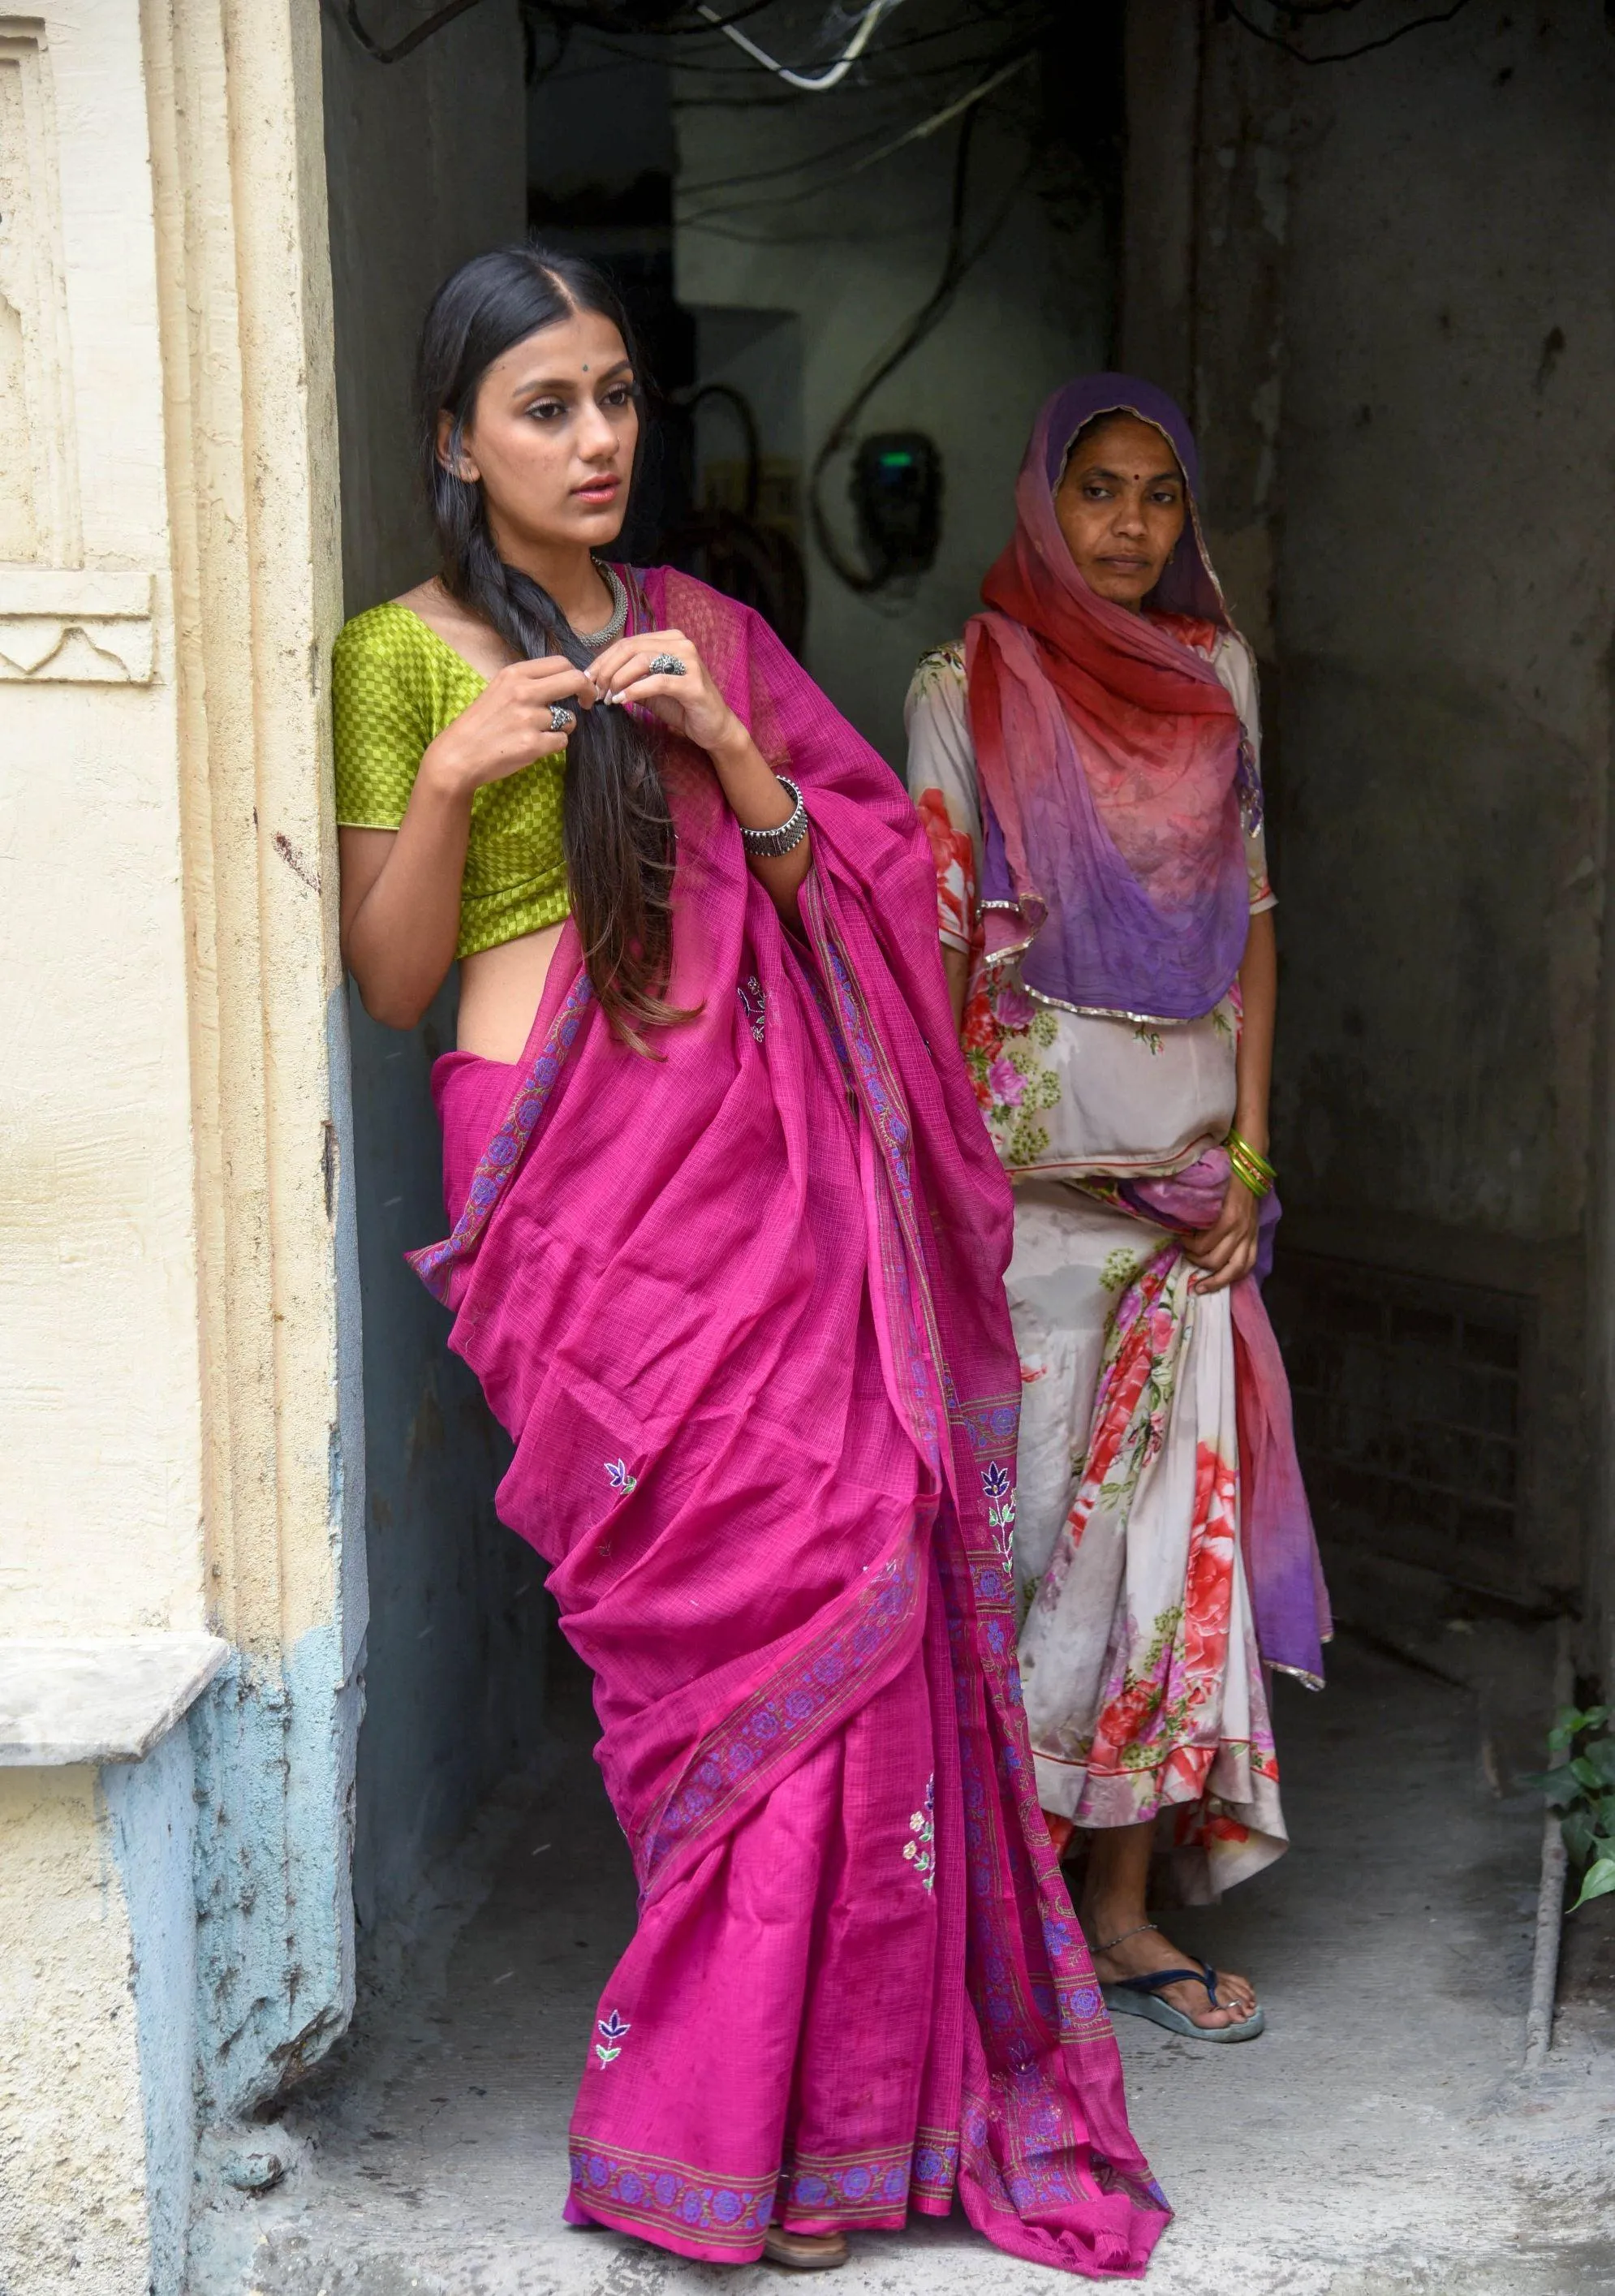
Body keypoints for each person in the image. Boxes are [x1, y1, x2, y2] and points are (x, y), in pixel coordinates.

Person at [333, 253, 1168, 2277]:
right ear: (457, 439)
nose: (598, 439)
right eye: (545, 407)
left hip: (768, 1184)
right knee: (701, 1643)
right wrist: (454, 779)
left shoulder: (708, 631)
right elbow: (389, 976)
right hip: (567, 1203)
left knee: (854, 1575)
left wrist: (732, 754)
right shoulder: (397, 657)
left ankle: (849, 2134)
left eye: (616, 397)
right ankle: (729, 2124)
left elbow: (878, 878)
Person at [906, 377, 1329, 2044]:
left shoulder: (1217, 679)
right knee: (1010, 1564)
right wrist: (937, 1181)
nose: (1130, 526)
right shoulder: (965, 682)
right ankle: (995, 1921)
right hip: (1022, 1207)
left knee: (1163, 1575)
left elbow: (1256, 926)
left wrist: (1246, 1156)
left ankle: (1124, 1912)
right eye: (1098, 490)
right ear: (1042, 500)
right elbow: (932, 933)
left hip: (1185, 1211)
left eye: (1160, 494)